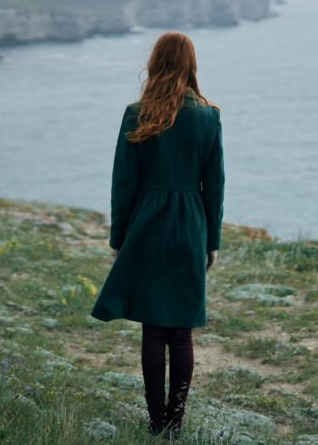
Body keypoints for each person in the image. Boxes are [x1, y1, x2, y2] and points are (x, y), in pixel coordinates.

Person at [90, 31, 225, 438]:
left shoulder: (137, 114)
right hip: (190, 226)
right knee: (180, 330)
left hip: (146, 225)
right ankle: (175, 426)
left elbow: (123, 184)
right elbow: (215, 187)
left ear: (156, 63)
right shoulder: (208, 116)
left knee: (153, 329)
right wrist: (211, 241)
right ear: (190, 65)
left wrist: (119, 238)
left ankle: (155, 423)